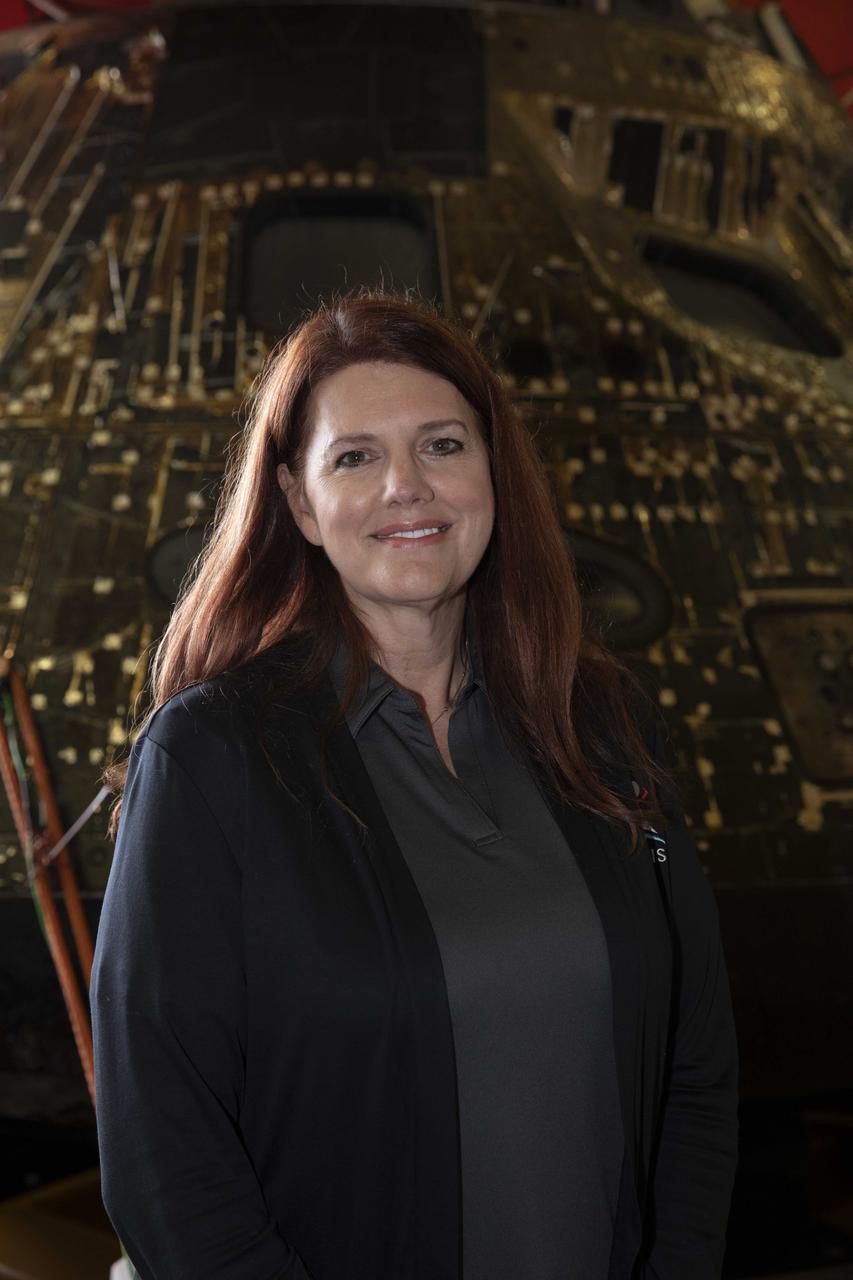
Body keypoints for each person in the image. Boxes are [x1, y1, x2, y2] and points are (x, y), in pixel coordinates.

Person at [91, 290, 738, 1280]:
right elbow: (163, 1150)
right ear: (299, 503)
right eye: (355, 456)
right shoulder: (210, 759)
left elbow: (695, 1057)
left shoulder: (608, 732)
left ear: (492, 475)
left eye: (442, 444)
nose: (408, 487)